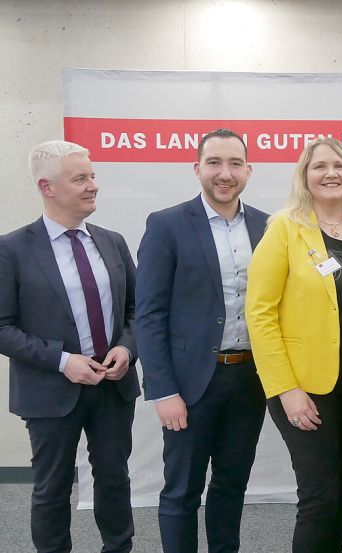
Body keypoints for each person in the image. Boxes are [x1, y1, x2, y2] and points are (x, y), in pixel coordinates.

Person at [246, 137, 342, 552]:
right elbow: (260, 313)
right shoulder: (284, 229)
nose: (330, 174)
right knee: (319, 496)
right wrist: (285, 389)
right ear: (304, 176)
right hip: (306, 388)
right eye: (320, 166)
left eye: (339, 166)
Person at [135, 128, 270, 553]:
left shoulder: (269, 226)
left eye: (234, 164)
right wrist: (163, 390)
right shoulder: (166, 224)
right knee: (182, 493)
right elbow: (149, 314)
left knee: (231, 486)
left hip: (249, 380)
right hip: (190, 384)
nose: (224, 173)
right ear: (197, 169)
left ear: (249, 170)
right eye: (214, 163)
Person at [0, 140, 139, 553]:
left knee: (114, 479)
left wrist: (128, 349)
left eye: (92, 176)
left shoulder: (112, 241)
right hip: (50, 390)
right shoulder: (12, 249)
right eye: (81, 179)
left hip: (113, 386)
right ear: (47, 186)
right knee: (53, 487)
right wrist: (62, 362)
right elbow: (2, 326)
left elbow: (138, 311)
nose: (92, 185)